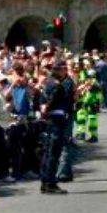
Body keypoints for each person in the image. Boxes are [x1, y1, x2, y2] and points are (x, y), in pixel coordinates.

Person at [39, 60, 73, 195]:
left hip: (50, 121)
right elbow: (50, 102)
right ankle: (50, 183)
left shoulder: (47, 83)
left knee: (48, 152)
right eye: (63, 69)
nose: (65, 71)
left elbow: (42, 100)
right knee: (53, 153)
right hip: (56, 120)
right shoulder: (57, 85)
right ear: (58, 70)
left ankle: (45, 182)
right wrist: (46, 108)